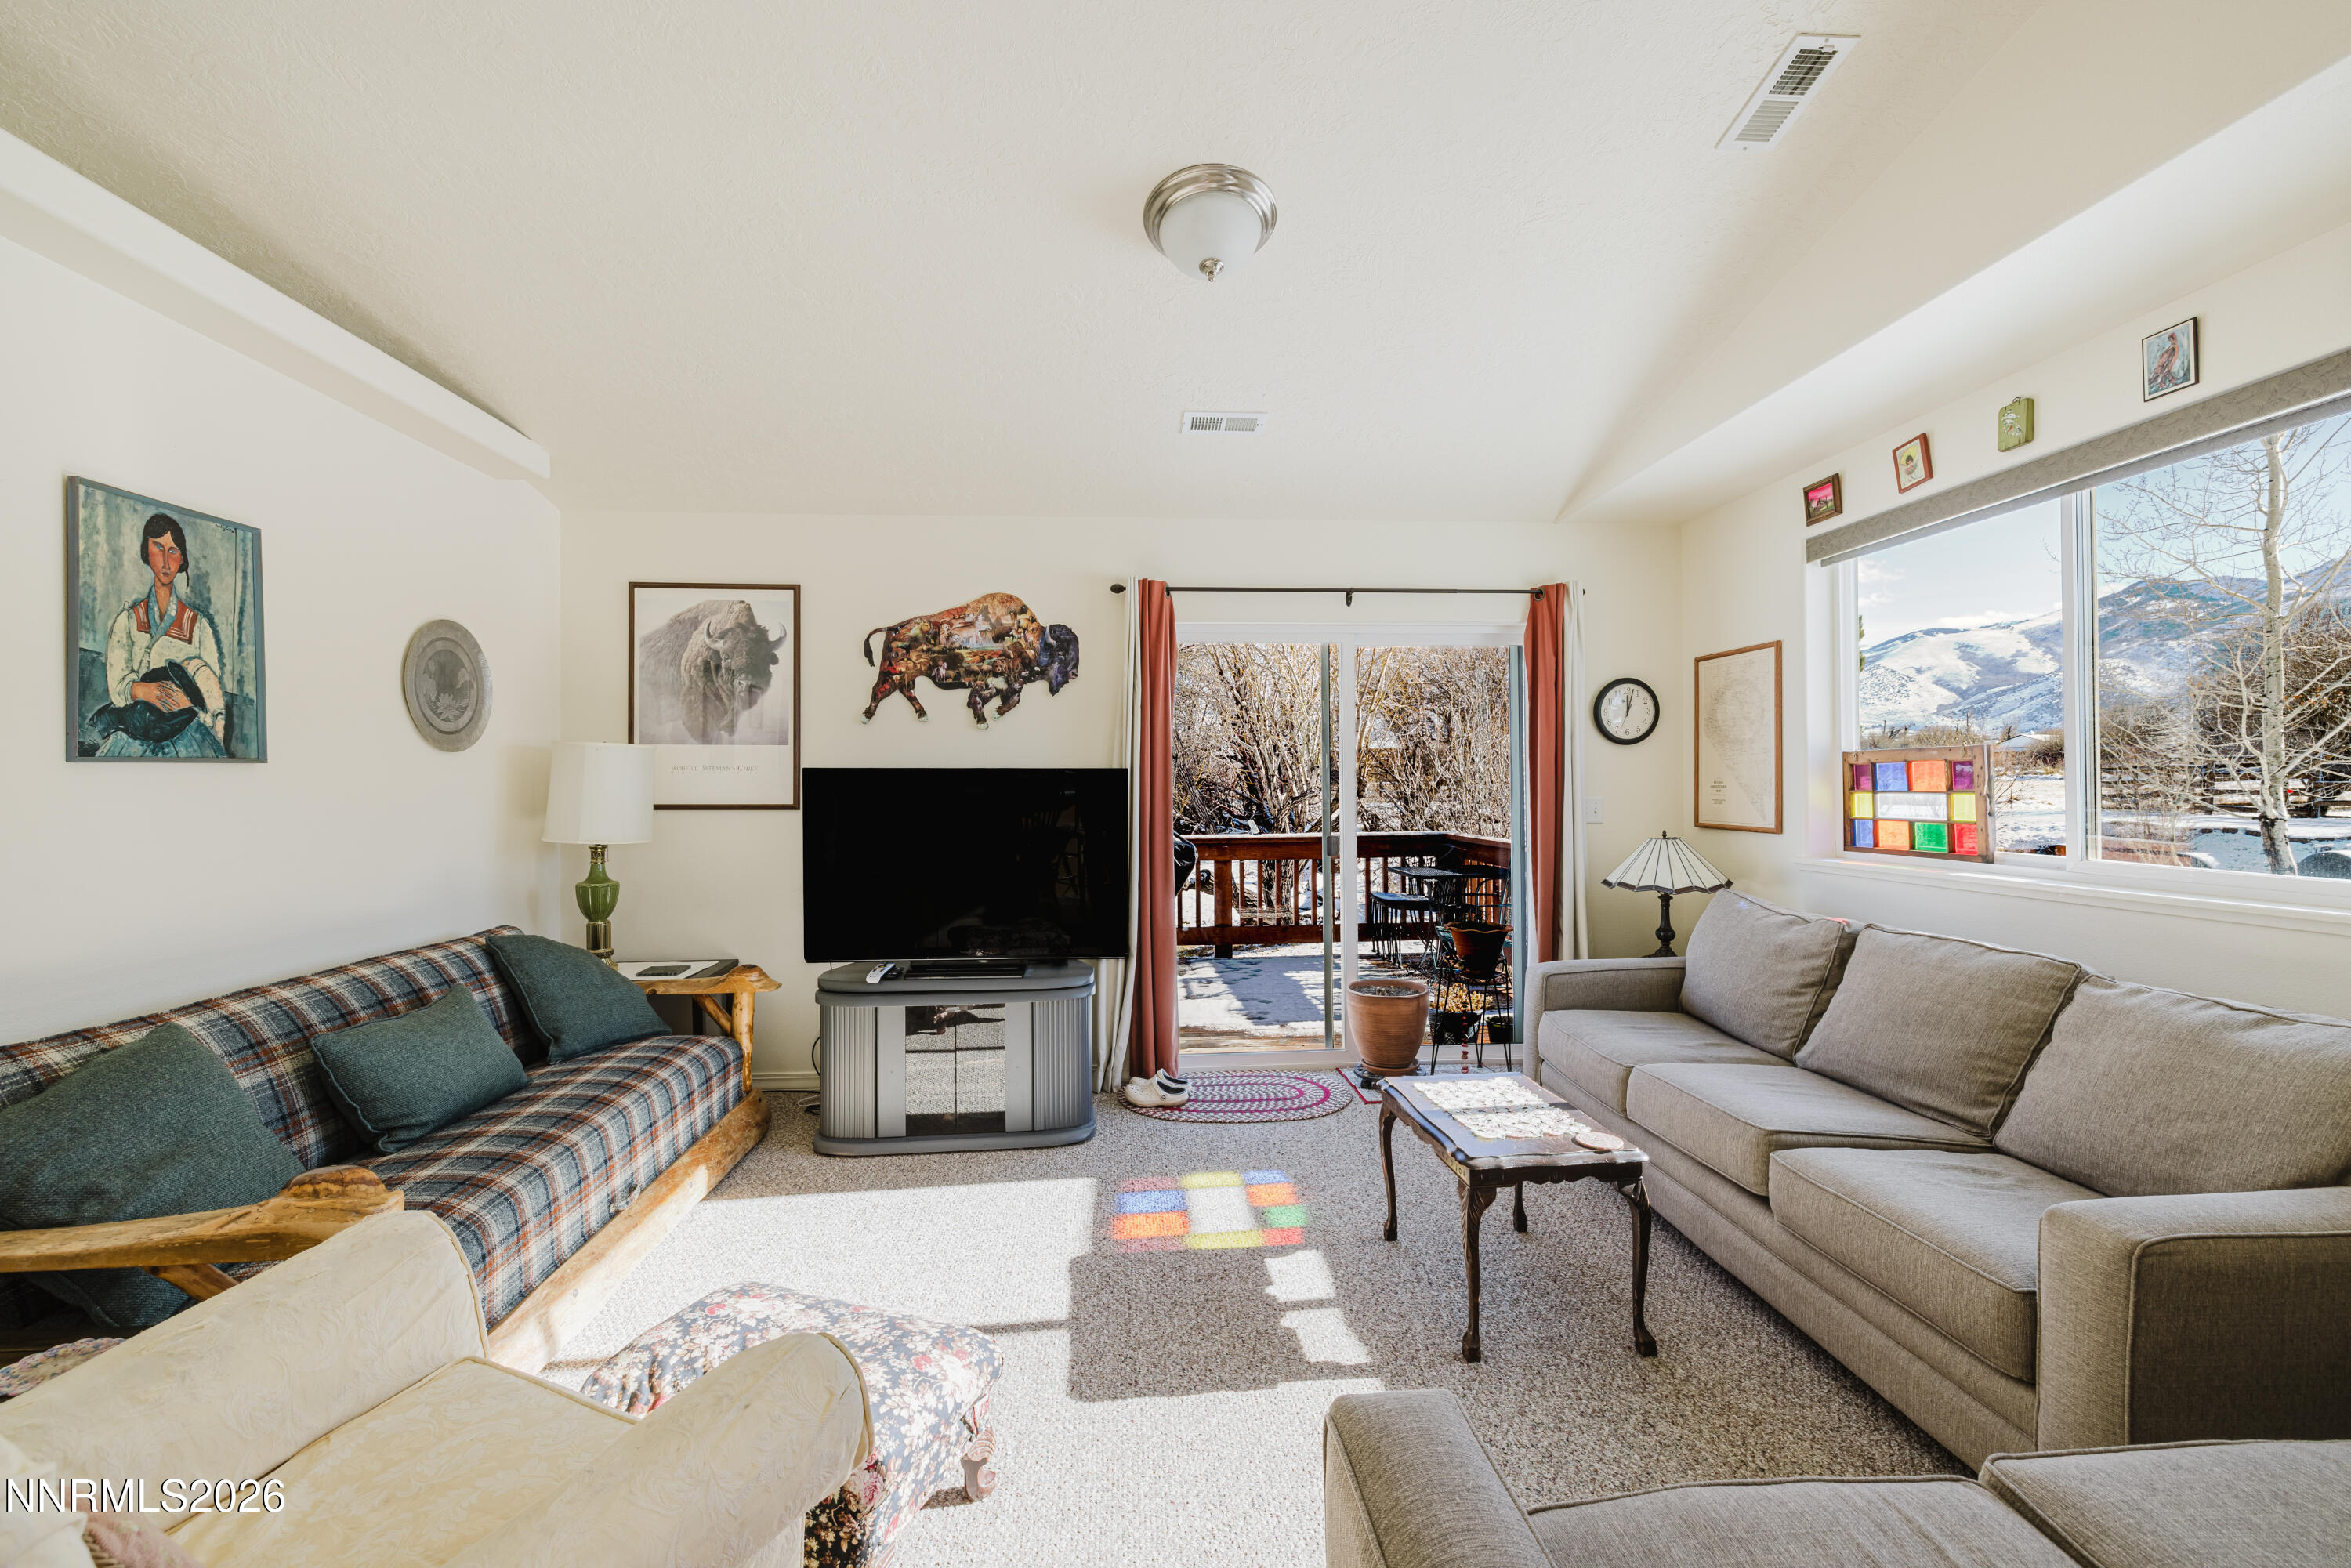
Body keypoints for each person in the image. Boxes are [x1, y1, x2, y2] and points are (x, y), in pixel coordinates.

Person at [96, 512, 229, 758]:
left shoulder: (198, 625)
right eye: (158, 547)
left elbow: (211, 690)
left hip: (186, 732)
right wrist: (146, 691)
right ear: (146, 552)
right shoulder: (128, 620)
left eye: (174, 551)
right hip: (134, 731)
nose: (166, 561)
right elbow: (117, 687)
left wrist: (187, 700)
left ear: (182, 559)